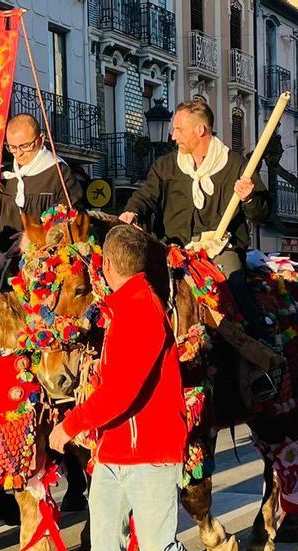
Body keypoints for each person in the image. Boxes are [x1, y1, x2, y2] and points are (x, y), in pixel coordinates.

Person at [49, 225, 230, 551]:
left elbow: (123, 391)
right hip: (114, 451)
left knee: (157, 544)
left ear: (107, 265)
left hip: (149, 450)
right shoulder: (120, 306)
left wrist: (71, 424)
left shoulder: (141, 311)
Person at [119, 99, 277, 401]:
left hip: (220, 248)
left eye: (178, 129)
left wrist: (249, 199)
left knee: (236, 286)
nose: (173, 135)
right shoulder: (166, 166)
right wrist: (131, 212)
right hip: (175, 251)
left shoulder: (237, 166)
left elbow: (261, 215)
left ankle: (261, 360)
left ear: (200, 129)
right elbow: (146, 195)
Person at [0, 113, 86, 252]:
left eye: (24, 146)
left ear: (41, 139)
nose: (19, 154)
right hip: (3, 262)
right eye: (13, 147)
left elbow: (73, 219)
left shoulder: (60, 173)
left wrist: (34, 237)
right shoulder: (5, 175)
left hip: (43, 265)